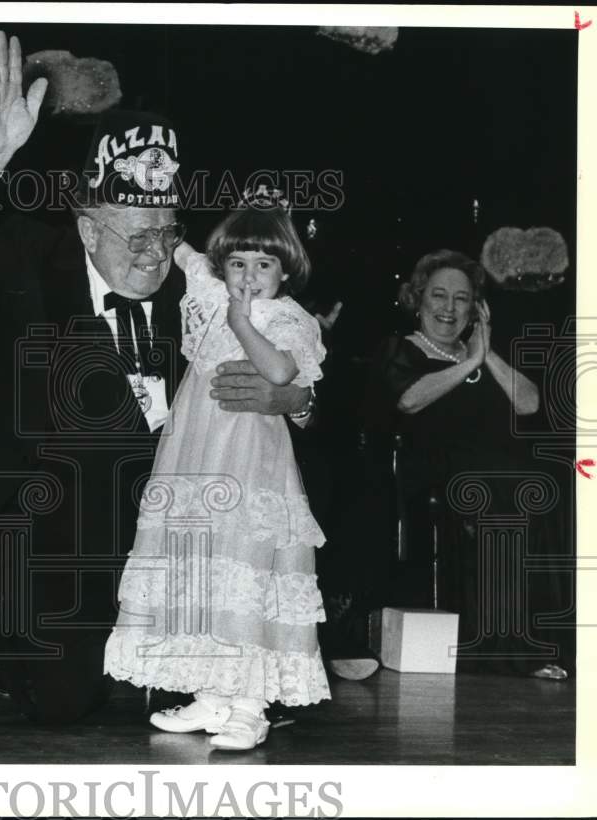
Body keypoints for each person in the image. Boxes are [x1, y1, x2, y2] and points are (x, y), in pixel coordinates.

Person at [0, 30, 315, 724]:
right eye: (135, 233)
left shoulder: (202, 292)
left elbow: (296, 369)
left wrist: (293, 398)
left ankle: (231, 673)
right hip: (63, 520)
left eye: (166, 232)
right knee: (67, 701)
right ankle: (23, 644)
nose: (154, 250)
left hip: (178, 522)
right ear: (85, 227)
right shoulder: (32, 268)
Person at [104, 200, 331, 751]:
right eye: (238, 264)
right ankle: (211, 693)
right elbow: (183, 254)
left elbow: (281, 371)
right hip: (194, 459)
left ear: (285, 271)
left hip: (251, 465)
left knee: (244, 570)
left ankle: (249, 706)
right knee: (199, 569)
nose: (249, 276)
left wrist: (238, 319)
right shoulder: (209, 291)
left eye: (264, 265)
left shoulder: (287, 319)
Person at [368, 249, 572, 679]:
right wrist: (469, 364)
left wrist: (486, 353)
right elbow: (409, 399)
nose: (448, 308)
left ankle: (540, 643)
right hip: (436, 468)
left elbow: (530, 402)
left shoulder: (479, 351)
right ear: (418, 299)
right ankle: (505, 648)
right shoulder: (400, 348)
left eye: (461, 299)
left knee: (555, 479)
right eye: (438, 296)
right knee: (506, 485)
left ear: (476, 308)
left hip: (495, 467)